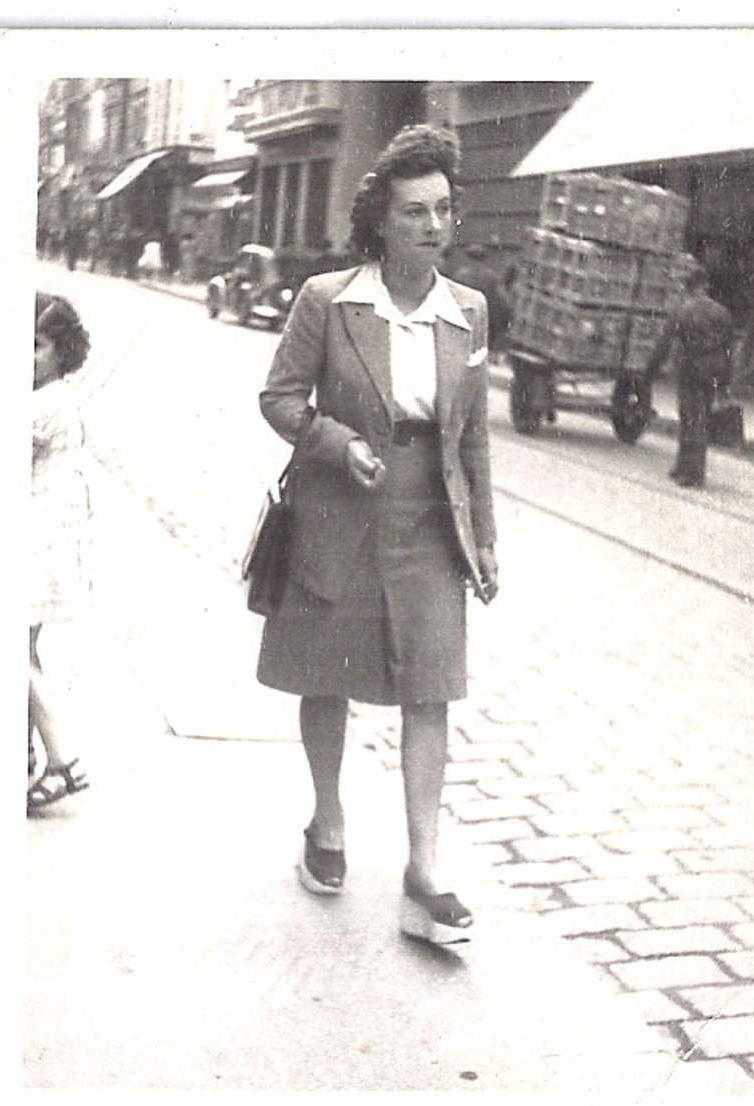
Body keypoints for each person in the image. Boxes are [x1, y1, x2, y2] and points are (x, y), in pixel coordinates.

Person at [256, 124, 499, 946]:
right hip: (338, 508)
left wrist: (486, 536)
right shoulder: (329, 300)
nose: (432, 226)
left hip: (428, 520)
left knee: (429, 687)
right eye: (412, 213)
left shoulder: (467, 311)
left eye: (442, 211)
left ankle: (423, 871)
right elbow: (280, 398)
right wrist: (335, 440)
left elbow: (472, 436)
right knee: (325, 674)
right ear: (380, 222)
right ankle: (327, 822)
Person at [27, 293, 93, 810]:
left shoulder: (43, 405)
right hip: (45, 536)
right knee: (22, 648)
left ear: (62, 351)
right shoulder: (58, 396)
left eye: (37, 346)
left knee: (11, 649)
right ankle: (23, 752)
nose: (28, 356)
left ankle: (63, 759)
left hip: (36, 540)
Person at [643, 263, 733, 488]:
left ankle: (691, 472)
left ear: (687, 287)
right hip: (715, 371)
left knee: (690, 418)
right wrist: (725, 383)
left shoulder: (682, 311)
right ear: (706, 286)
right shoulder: (722, 312)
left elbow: (663, 345)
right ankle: (685, 467)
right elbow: (729, 350)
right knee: (701, 416)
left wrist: (649, 372)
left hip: (691, 370)